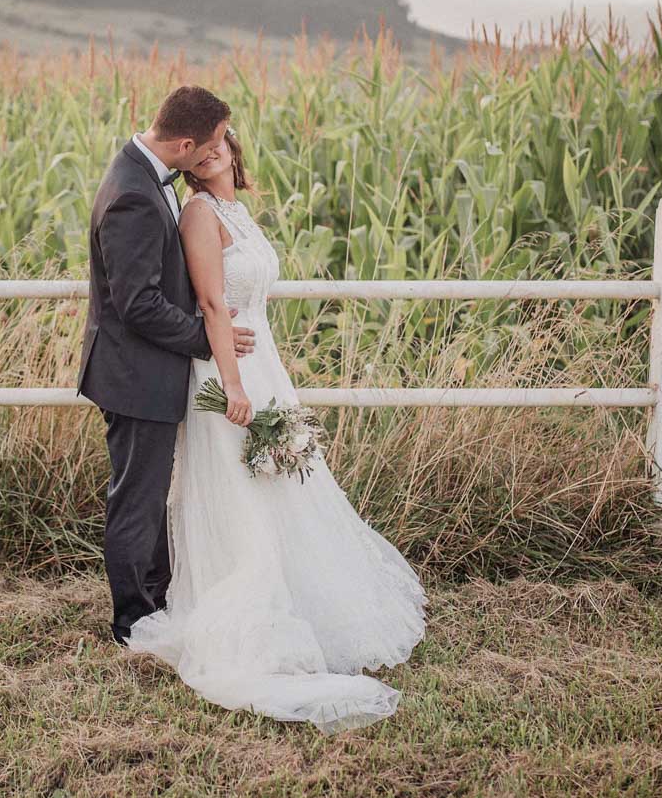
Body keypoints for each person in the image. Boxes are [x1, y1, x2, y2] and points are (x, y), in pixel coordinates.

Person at [127, 119, 426, 733]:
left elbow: (250, 298)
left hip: (263, 362)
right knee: (241, 487)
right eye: (201, 148)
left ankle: (302, 596)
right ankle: (251, 606)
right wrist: (233, 384)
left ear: (235, 149)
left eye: (222, 142)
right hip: (226, 368)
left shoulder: (240, 214)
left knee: (283, 484)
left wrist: (261, 373)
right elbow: (212, 304)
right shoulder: (199, 215)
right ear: (188, 160)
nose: (212, 153)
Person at [76, 85, 256, 647]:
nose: (213, 154)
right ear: (183, 142)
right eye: (206, 147)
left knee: (150, 496)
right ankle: (133, 622)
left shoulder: (146, 173)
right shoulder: (133, 192)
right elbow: (137, 304)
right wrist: (209, 336)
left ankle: (155, 601)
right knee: (138, 500)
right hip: (134, 375)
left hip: (144, 369)